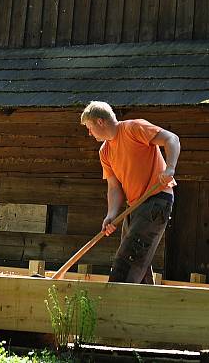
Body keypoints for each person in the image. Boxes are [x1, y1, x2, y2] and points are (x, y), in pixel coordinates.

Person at [80, 101, 180, 284]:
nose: (89, 133)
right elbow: (114, 187)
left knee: (128, 257)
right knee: (137, 256)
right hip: (134, 206)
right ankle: (144, 306)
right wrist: (111, 215)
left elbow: (172, 139)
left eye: (90, 127)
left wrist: (170, 168)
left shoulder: (133, 128)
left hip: (156, 199)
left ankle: (115, 302)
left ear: (100, 122)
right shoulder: (105, 151)